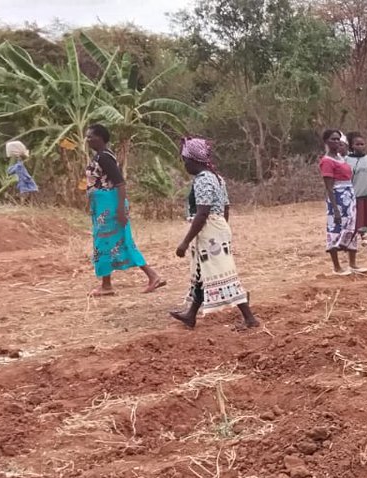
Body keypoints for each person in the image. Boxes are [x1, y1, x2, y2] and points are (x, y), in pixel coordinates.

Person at [169, 137, 258, 330]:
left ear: (195, 160)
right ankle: (191, 314)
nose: (184, 165)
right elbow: (225, 207)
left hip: (209, 231)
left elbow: (202, 213)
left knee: (223, 273)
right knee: (204, 273)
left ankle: (250, 318)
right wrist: (221, 229)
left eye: (185, 160)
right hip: (216, 229)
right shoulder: (216, 177)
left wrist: (184, 243)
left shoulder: (203, 180)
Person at [84, 124, 164, 297]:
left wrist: (120, 209)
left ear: (101, 138)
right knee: (104, 244)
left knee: (121, 242)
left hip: (111, 207)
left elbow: (120, 183)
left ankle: (153, 276)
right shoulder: (100, 156)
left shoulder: (105, 157)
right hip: (103, 208)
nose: (88, 140)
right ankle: (106, 285)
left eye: (91, 136)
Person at [321, 129, 367, 277]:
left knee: (352, 228)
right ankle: (337, 266)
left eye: (338, 139)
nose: (336, 142)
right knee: (335, 229)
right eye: (333, 139)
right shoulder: (327, 161)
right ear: (326, 142)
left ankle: (353, 263)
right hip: (338, 198)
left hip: (349, 196)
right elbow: (329, 187)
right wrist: (335, 209)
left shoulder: (341, 158)